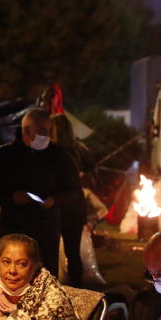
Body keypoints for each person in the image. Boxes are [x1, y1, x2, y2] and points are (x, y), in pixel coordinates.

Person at [0, 108, 81, 277]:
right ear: (26, 130)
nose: (46, 136)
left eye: (48, 131)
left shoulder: (58, 155)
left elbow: (73, 189)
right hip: (14, 227)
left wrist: (54, 200)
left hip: (46, 228)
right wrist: (11, 198)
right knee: (13, 275)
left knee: (45, 277)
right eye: (42, 131)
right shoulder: (5, 156)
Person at [49, 113, 92, 287]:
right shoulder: (80, 149)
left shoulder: (50, 152)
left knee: (50, 250)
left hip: (57, 206)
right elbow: (90, 171)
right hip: (75, 205)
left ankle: (51, 287)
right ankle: (77, 286)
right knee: (73, 251)